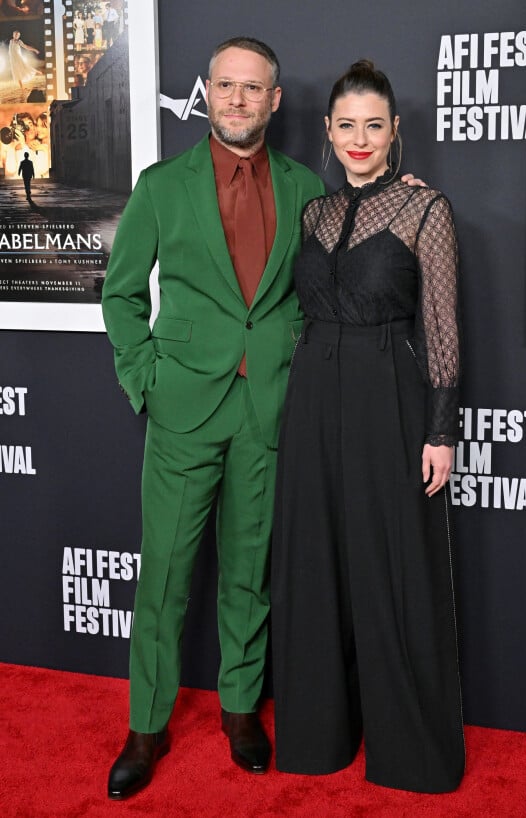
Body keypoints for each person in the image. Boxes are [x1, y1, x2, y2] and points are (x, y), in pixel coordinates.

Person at [102, 39, 422, 801]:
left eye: (255, 88)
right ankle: (145, 726)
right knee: (167, 580)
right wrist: (144, 379)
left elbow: (348, 249)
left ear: (277, 100)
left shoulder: (307, 185)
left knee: (250, 577)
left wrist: (400, 195)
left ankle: (242, 710)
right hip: (182, 407)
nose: (239, 99)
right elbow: (119, 296)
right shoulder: (160, 185)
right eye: (226, 85)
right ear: (206, 91)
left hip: (269, 407)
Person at [271, 60, 465, 794]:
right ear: (327, 131)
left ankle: (410, 752)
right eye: (346, 125)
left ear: (395, 134)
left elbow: (441, 325)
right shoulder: (313, 214)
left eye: (373, 126)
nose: (359, 139)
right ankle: (318, 737)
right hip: (313, 391)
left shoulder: (426, 211)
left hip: (390, 395)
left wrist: (441, 430)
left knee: (395, 568)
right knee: (314, 563)